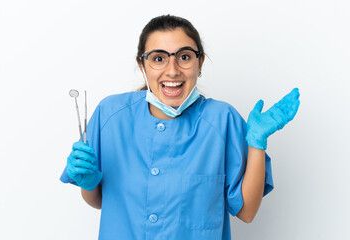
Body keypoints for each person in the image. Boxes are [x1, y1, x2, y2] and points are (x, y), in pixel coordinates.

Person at [60, 14, 300, 240]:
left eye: (184, 57)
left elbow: (246, 212)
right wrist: (88, 183)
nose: (172, 70)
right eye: (158, 58)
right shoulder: (111, 115)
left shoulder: (222, 120)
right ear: (142, 65)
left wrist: (256, 142)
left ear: (200, 62)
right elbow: (98, 200)